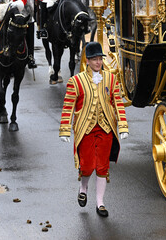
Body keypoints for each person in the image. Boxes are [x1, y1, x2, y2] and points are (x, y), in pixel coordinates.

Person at [59, 41, 129, 217]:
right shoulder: (76, 81)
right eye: (94, 59)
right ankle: (83, 188)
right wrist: (65, 130)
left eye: (100, 59)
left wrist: (122, 126)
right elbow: (68, 107)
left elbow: (118, 104)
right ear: (87, 61)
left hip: (105, 129)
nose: (98, 62)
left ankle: (100, 203)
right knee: (87, 165)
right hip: (85, 129)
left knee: (102, 167)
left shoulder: (111, 79)